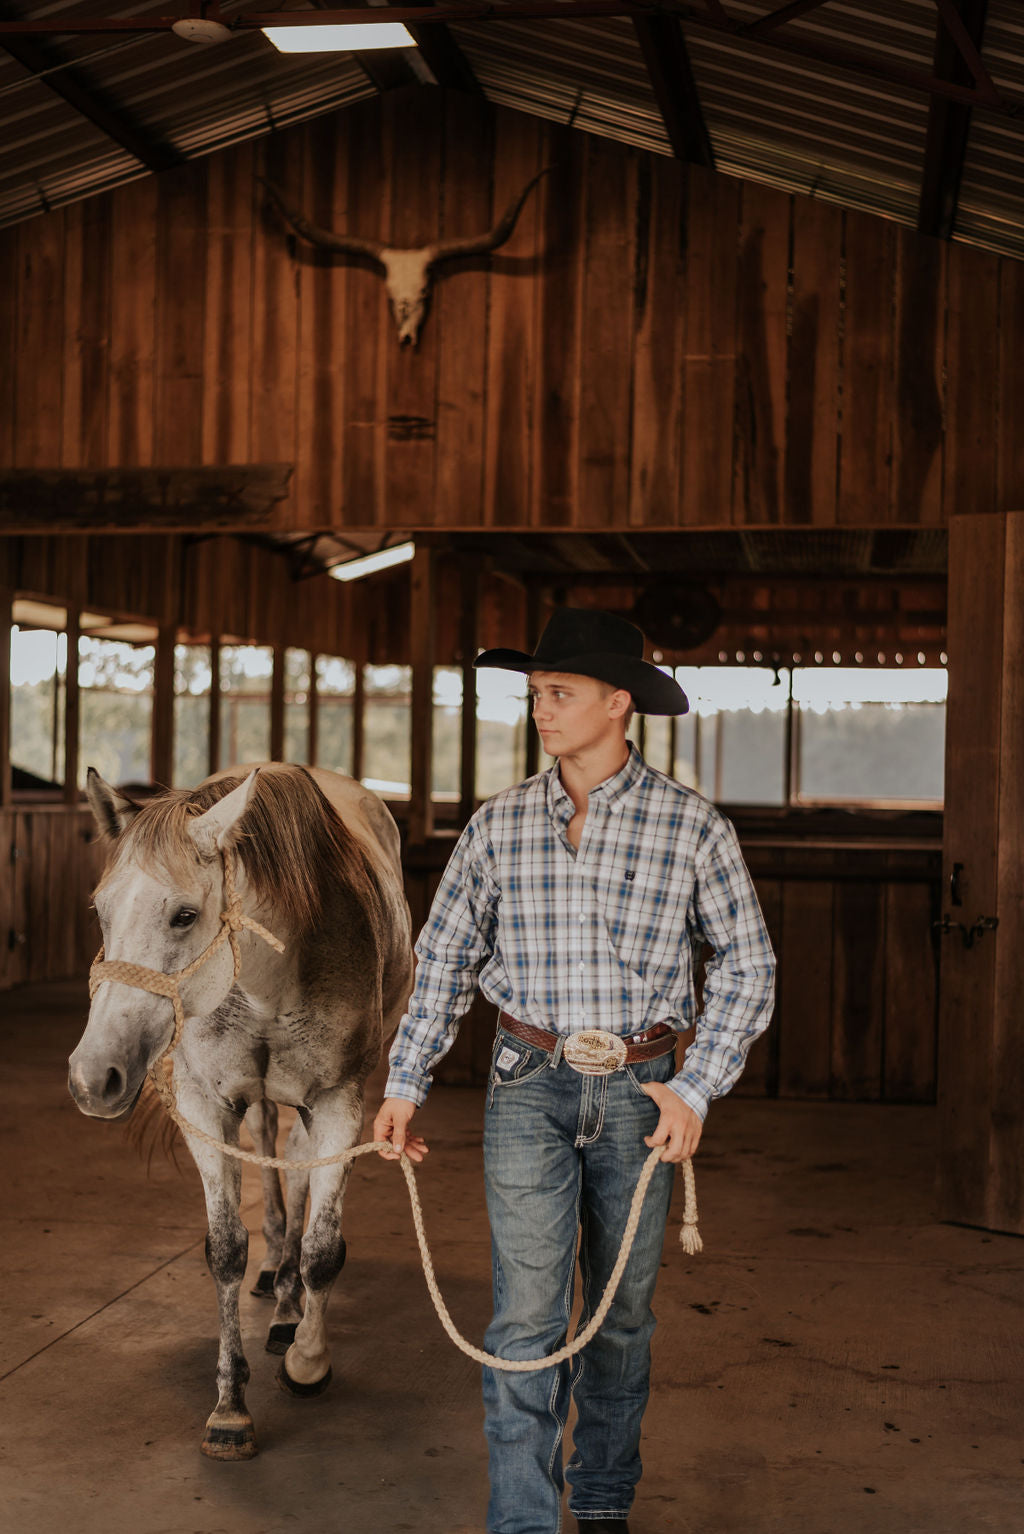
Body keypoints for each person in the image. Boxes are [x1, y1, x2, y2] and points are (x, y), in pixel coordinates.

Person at [373, 607, 776, 1534]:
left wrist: (695, 1083)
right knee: (525, 1320)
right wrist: (405, 1083)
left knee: (623, 1318)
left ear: (617, 703)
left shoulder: (691, 828)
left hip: (644, 1088)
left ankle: (600, 1503)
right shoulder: (498, 826)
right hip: (530, 1081)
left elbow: (747, 964)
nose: (540, 709)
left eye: (559, 693)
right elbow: (443, 959)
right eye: (535, 694)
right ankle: (522, 1522)